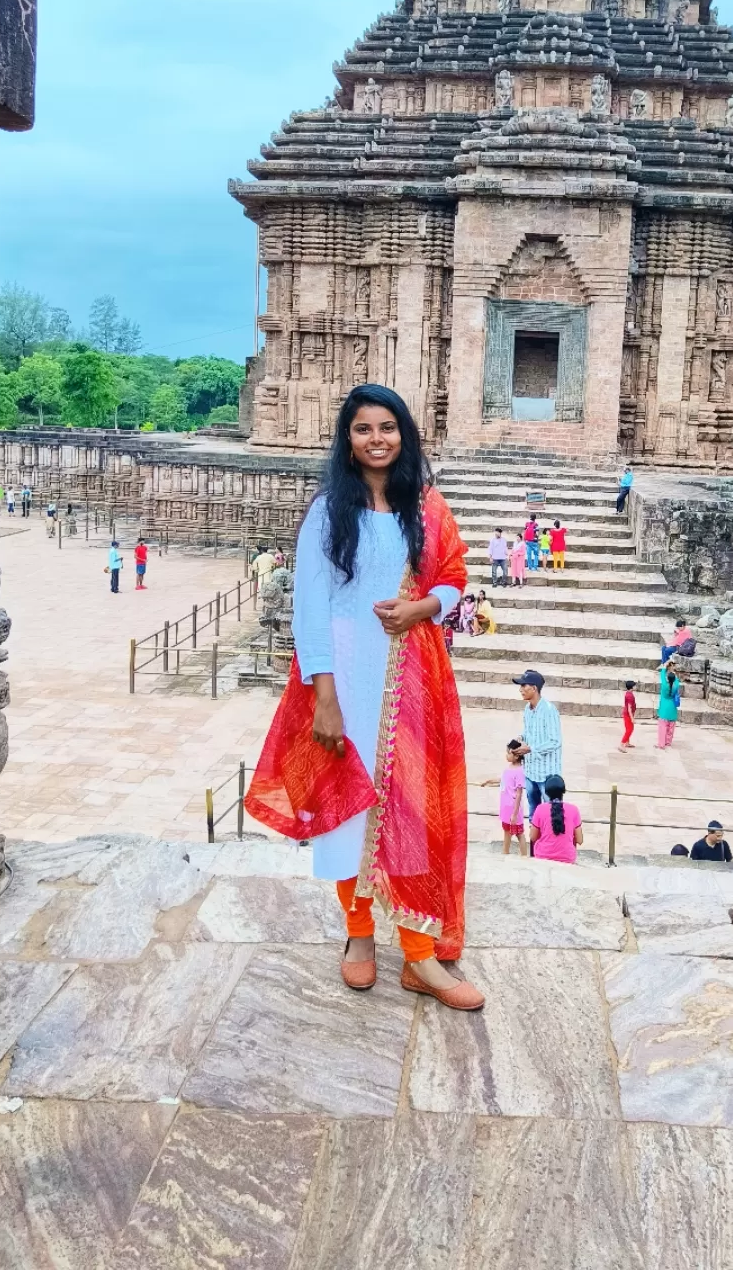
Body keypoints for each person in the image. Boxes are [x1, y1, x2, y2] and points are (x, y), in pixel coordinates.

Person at [244, 382, 483, 1011]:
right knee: (349, 810)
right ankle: (358, 936)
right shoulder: (329, 511)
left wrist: (424, 606)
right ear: (347, 441)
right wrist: (323, 694)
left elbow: (454, 579)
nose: (377, 439)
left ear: (404, 435)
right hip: (345, 673)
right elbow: (311, 607)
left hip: (410, 676)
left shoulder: (425, 506)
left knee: (409, 809)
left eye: (388, 428)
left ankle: (420, 955)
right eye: (363, 429)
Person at [512, 669, 561, 818]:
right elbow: (529, 733)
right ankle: (535, 842)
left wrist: (531, 748)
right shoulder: (527, 709)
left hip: (547, 775)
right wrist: (520, 739)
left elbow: (555, 741)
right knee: (534, 816)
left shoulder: (549, 710)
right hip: (531, 772)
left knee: (552, 816)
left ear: (534, 688)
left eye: (523, 686)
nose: (520, 690)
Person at [481, 740, 528, 857]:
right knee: (507, 831)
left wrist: (515, 813)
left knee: (519, 833)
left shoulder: (520, 772)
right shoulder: (509, 768)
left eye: (509, 753)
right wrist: (488, 781)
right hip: (506, 807)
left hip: (513, 808)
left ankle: (523, 855)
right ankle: (505, 852)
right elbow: (503, 780)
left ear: (516, 756)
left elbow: (519, 793)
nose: (506, 755)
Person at [530, 774, 583, 864]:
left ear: (546, 792)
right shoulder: (574, 810)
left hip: (543, 856)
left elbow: (533, 837)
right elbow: (580, 840)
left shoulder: (540, 809)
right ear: (564, 791)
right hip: (567, 858)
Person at [656, 664, 680, 748]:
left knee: (662, 727)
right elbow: (676, 679)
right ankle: (668, 742)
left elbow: (662, 673)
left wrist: (666, 665)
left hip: (664, 709)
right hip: (672, 708)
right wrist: (673, 670)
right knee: (671, 727)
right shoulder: (676, 685)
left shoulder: (664, 685)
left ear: (667, 679)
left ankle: (661, 744)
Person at [620, 680, 637, 751]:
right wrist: (632, 718)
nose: (636, 686)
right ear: (632, 687)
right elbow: (629, 708)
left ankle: (627, 742)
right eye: (635, 685)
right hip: (628, 714)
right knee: (630, 729)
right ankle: (622, 743)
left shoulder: (628, 693)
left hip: (627, 713)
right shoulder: (630, 696)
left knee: (628, 729)